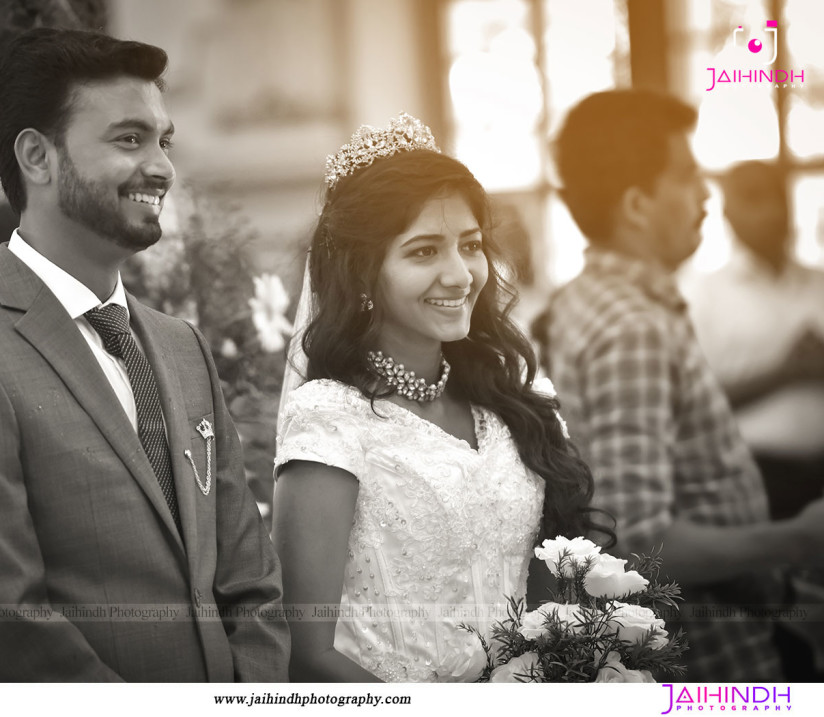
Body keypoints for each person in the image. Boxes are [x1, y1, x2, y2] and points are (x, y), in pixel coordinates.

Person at [0, 28, 288, 682]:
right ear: (38, 157)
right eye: (129, 139)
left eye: (164, 141)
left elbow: (251, 577)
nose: (160, 166)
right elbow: (1, 625)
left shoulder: (183, 347)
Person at [273, 114, 607, 682]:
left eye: (470, 246)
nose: (460, 275)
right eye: (424, 252)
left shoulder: (513, 404)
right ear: (362, 273)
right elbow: (307, 653)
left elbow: (553, 600)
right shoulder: (329, 421)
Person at [533, 89, 824, 682]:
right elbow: (640, 545)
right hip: (708, 653)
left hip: (729, 614)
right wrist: (794, 539)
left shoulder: (591, 300)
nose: (705, 195)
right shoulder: (633, 327)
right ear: (638, 204)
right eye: (688, 175)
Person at [685, 160, 824, 678]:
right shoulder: (703, 295)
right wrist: (785, 370)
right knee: (783, 617)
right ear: (729, 212)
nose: (771, 207)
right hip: (760, 479)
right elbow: (695, 403)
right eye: (753, 196)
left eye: (776, 193)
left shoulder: (819, 282)